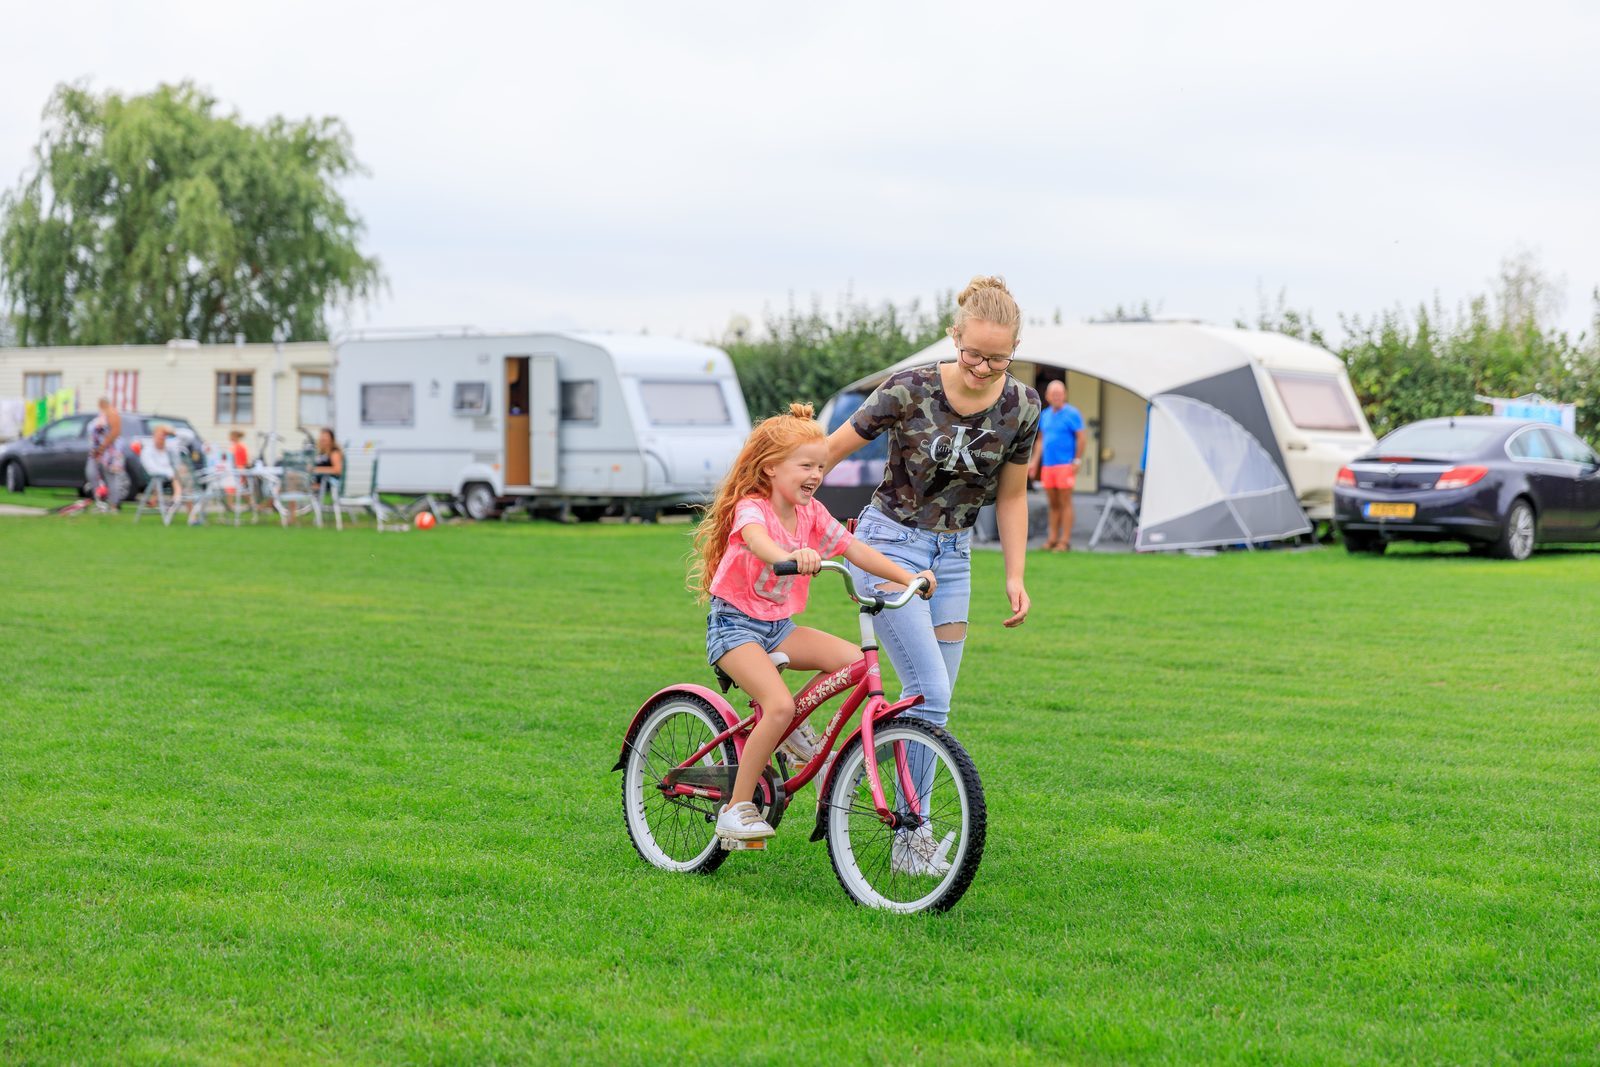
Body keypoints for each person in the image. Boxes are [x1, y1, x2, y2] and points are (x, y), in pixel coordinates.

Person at [825, 274, 1040, 873]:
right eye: (973, 353)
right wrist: (782, 499)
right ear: (954, 336)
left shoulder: (1022, 406)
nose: (981, 367)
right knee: (930, 695)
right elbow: (830, 450)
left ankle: (905, 835)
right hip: (887, 549)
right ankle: (911, 840)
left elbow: (1014, 497)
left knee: (930, 705)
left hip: (954, 559)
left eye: (997, 359)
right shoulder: (909, 388)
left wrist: (1016, 575)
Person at [691, 403, 936, 844]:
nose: (815, 475)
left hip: (779, 626)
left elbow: (855, 550)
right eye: (805, 465)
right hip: (735, 628)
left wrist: (909, 576)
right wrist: (789, 558)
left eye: (820, 466)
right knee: (779, 704)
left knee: (854, 662)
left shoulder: (812, 513)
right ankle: (736, 808)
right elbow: (757, 541)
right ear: (770, 469)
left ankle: (787, 730)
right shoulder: (754, 507)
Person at [1028, 379, 1087, 551]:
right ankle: (1052, 539)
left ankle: (1064, 541)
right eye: (1053, 394)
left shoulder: (1072, 413)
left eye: (1059, 394)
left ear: (1065, 395)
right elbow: (1040, 441)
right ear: (1047, 396)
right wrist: (1034, 463)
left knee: (1065, 503)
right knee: (1052, 504)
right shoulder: (1045, 415)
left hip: (1065, 465)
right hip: (1048, 465)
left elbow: (1082, 438)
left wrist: (1077, 460)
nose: (1056, 397)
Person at [86, 397, 128, 509]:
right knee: (92, 473)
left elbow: (115, 432)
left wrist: (102, 447)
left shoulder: (112, 413)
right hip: (96, 451)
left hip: (109, 451)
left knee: (111, 477)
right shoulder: (101, 415)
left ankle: (114, 505)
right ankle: (99, 501)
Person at [312, 429, 344, 496]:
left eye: (325, 436)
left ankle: (292, 506)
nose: (322, 438)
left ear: (331, 439)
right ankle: (293, 506)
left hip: (327, 483)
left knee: (296, 483)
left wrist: (317, 470)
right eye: (321, 436)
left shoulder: (334, 452)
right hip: (317, 481)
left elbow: (337, 470)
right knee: (294, 477)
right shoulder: (321, 453)